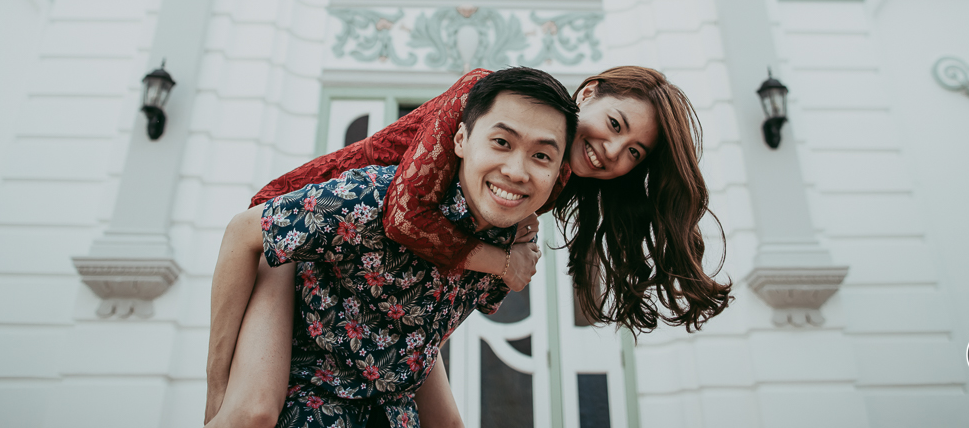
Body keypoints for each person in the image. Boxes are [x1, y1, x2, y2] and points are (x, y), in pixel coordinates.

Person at [205, 66, 731, 427]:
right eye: (615, 125)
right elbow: (405, 216)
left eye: (633, 152)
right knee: (250, 410)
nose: (611, 149)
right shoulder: (487, 94)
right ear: (588, 93)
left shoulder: (557, 178)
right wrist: (504, 262)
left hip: (385, 286)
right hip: (302, 225)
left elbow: (442, 277)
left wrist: (516, 246)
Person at [210, 67, 578, 428]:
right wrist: (218, 386)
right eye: (501, 142)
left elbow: (421, 338)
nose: (516, 170)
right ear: (461, 139)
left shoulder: (508, 249)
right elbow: (244, 231)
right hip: (307, 397)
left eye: (541, 156)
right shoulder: (373, 199)